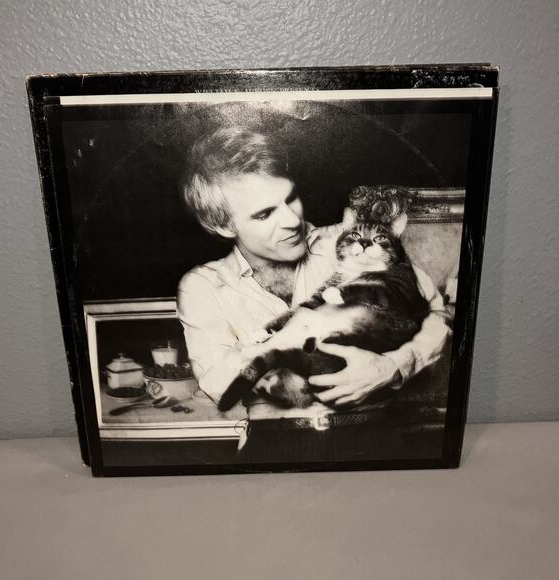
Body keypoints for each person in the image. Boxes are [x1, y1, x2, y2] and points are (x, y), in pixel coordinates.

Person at [177, 128, 451, 463]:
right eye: (264, 214)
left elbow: (438, 313)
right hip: (273, 445)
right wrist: (289, 337)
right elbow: (218, 380)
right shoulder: (203, 286)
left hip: (373, 435)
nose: (292, 220)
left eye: (291, 198)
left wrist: (393, 366)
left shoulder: (350, 241)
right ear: (224, 226)